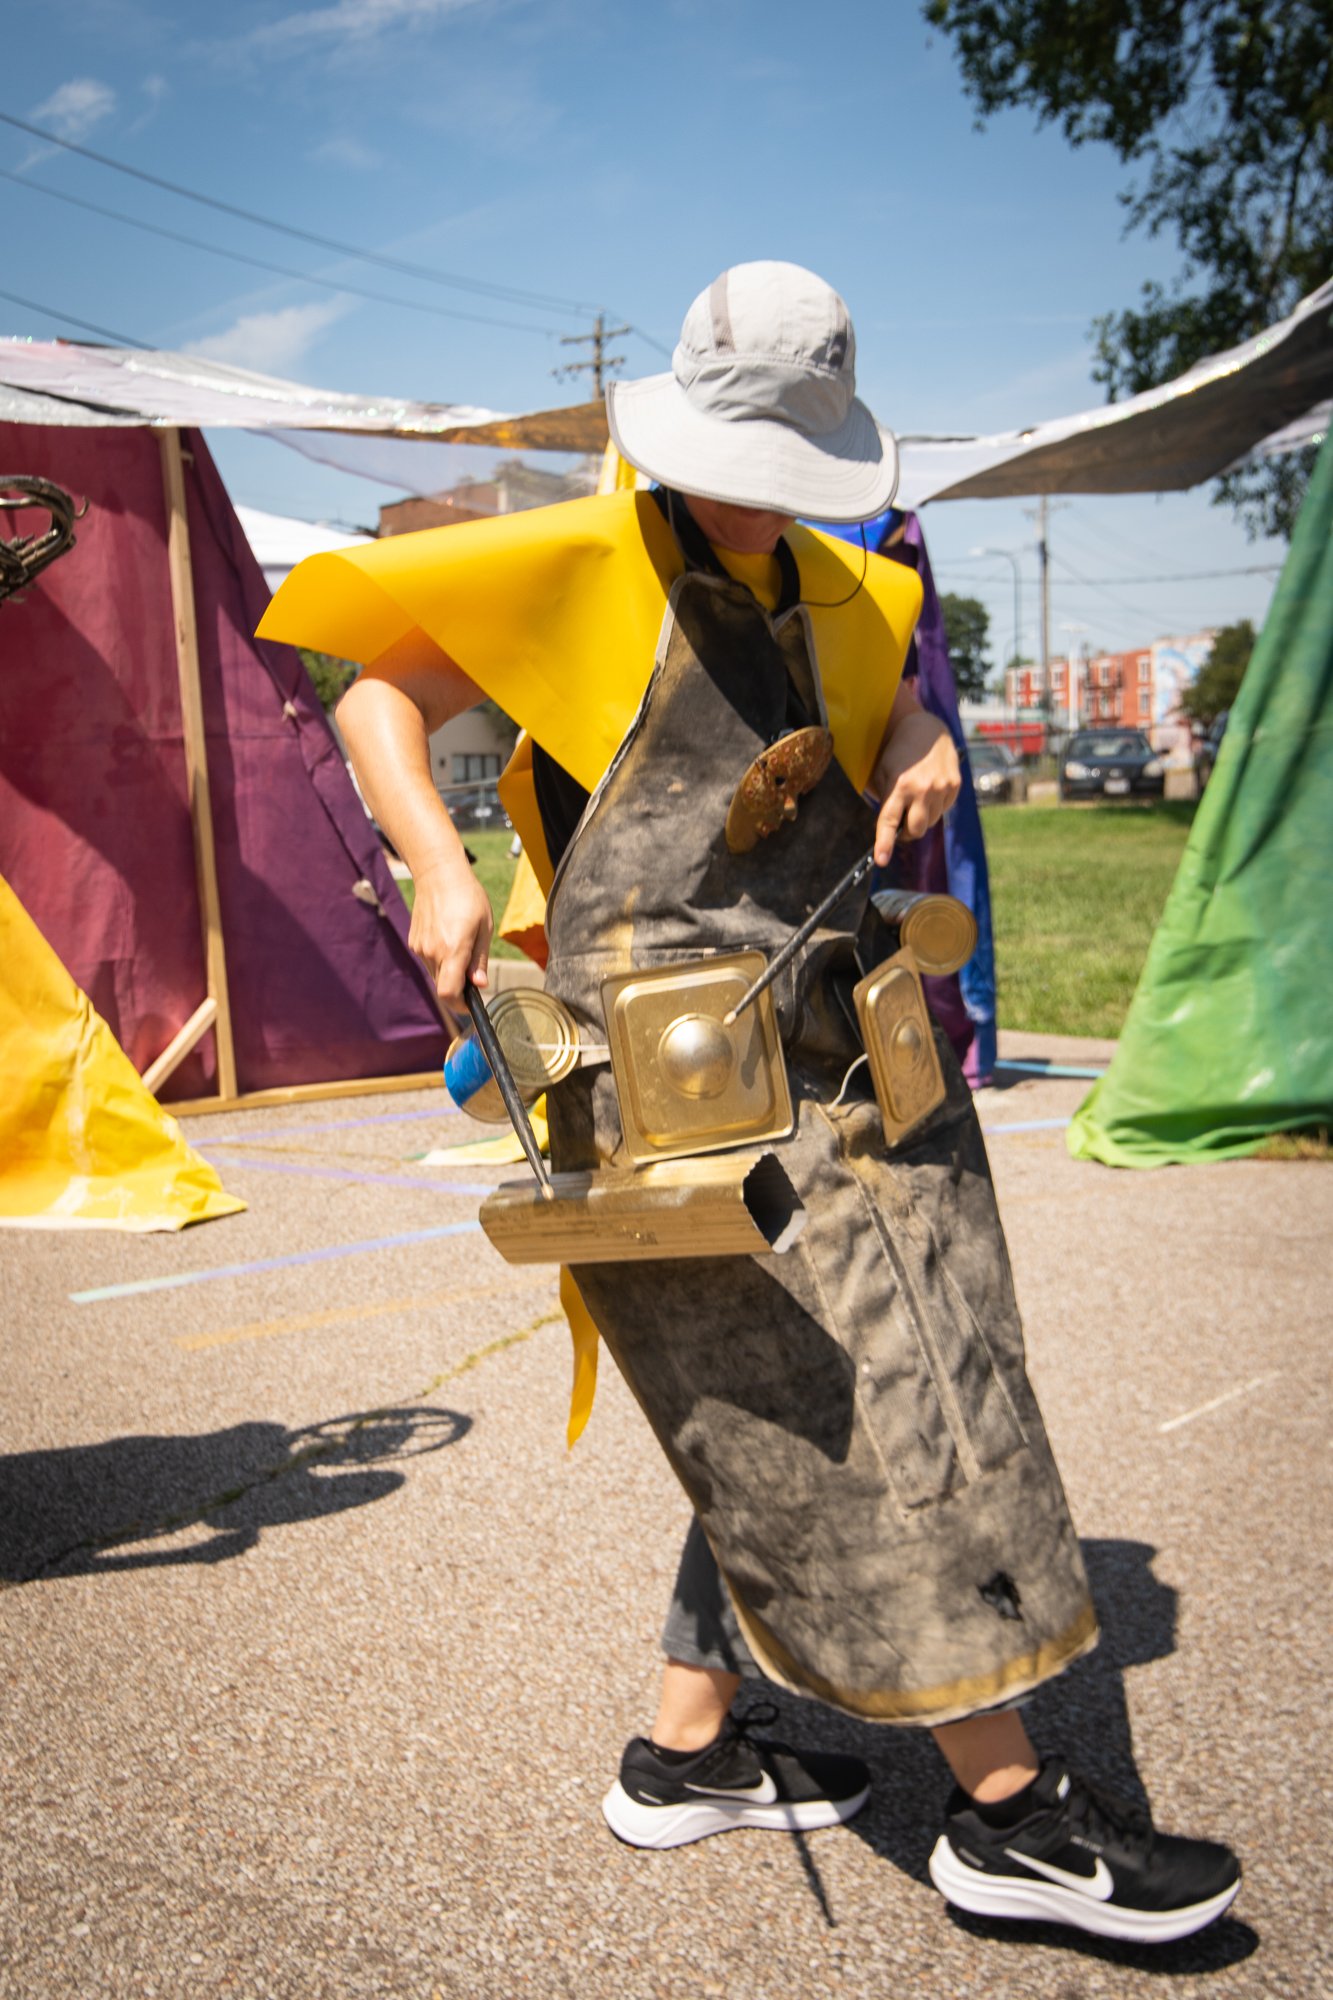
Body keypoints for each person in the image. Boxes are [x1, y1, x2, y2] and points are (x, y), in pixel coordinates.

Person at [259, 262, 1239, 1946]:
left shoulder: (847, 590)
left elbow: (890, 697)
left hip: (857, 1057)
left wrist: (925, 724)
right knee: (865, 1406)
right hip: (674, 1086)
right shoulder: (573, 560)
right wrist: (436, 872)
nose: (756, 499)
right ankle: (1006, 1816)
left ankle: (688, 1750)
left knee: (798, 1402)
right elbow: (375, 693)